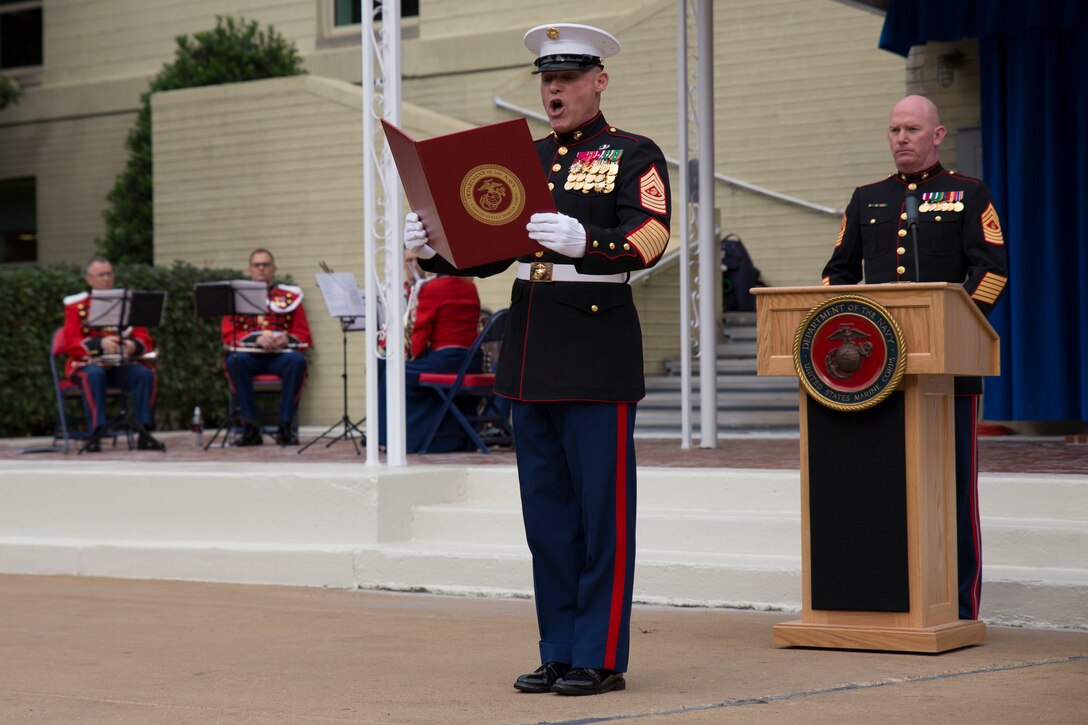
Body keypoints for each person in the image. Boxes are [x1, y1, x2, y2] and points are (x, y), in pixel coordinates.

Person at [404, 23, 671, 695]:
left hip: (595, 341)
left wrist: (589, 240)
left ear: (598, 81)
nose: (554, 89)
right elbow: (489, 248)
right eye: (547, 79)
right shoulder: (524, 157)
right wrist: (435, 244)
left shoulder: (633, 152)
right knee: (547, 516)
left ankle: (599, 654)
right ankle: (557, 647)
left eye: (568, 77)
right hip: (532, 345)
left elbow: (652, 233)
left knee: (600, 515)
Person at [822, 95, 1008, 621]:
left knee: (952, 488)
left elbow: (990, 271)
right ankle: (893, 598)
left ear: (937, 135)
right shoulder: (866, 198)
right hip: (877, 374)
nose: (901, 138)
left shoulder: (969, 194)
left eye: (911, 129)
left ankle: (961, 605)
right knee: (883, 489)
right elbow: (837, 273)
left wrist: (955, 330)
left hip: (948, 369)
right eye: (894, 129)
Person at [377, 250, 483, 452]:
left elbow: (421, 332)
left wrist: (411, 356)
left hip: (445, 361)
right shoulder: (471, 287)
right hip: (470, 361)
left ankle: (389, 438)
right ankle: (449, 437)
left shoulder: (432, 288)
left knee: (394, 372)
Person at [60, 257, 165, 452]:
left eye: (109, 274)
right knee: (94, 374)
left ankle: (144, 430)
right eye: (101, 275)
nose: (107, 278)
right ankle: (96, 432)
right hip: (85, 366)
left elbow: (144, 338)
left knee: (144, 374)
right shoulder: (76, 306)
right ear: (89, 279)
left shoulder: (128, 303)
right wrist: (100, 343)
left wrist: (131, 345)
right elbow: (70, 343)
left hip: (119, 366)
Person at [221, 248, 312, 446]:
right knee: (235, 361)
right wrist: (255, 340)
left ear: (274, 269)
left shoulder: (289, 297)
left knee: (297, 361)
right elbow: (228, 334)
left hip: (279, 357)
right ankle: (250, 428)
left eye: (266, 265)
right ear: (249, 270)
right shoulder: (237, 296)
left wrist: (286, 338)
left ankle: (285, 427)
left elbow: (303, 333)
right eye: (257, 265)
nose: (261, 269)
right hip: (250, 357)